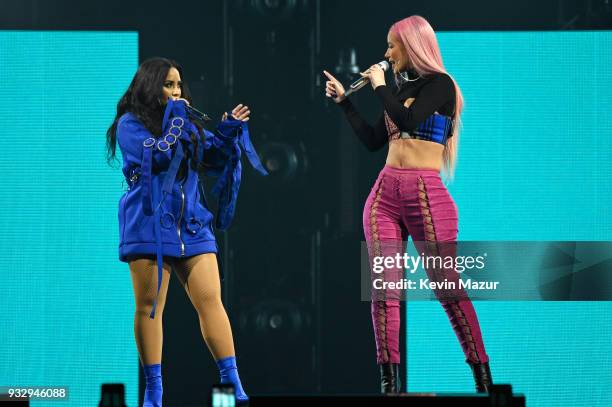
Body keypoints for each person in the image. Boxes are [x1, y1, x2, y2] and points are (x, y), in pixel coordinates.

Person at [324, 15, 493, 394]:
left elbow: (409, 119)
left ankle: (483, 377)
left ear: (412, 45)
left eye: (391, 46)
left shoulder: (441, 86)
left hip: (425, 195)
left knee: (446, 286)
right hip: (385, 195)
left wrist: (380, 85)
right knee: (384, 291)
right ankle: (390, 384)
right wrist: (345, 104)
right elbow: (373, 140)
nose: (386, 53)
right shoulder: (399, 89)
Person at [106, 57, 268, 406]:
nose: (177, 91)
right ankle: (154, 389)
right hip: (150, 224)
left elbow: (213, 157)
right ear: (150, 87)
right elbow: (160, 156)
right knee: (150, 306)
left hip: (192, 224)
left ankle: (233, 384)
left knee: (211, 301)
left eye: (179, 84)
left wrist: (225, 132)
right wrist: (177, 120)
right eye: (169, 85)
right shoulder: (129, 125)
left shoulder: (186, 123)